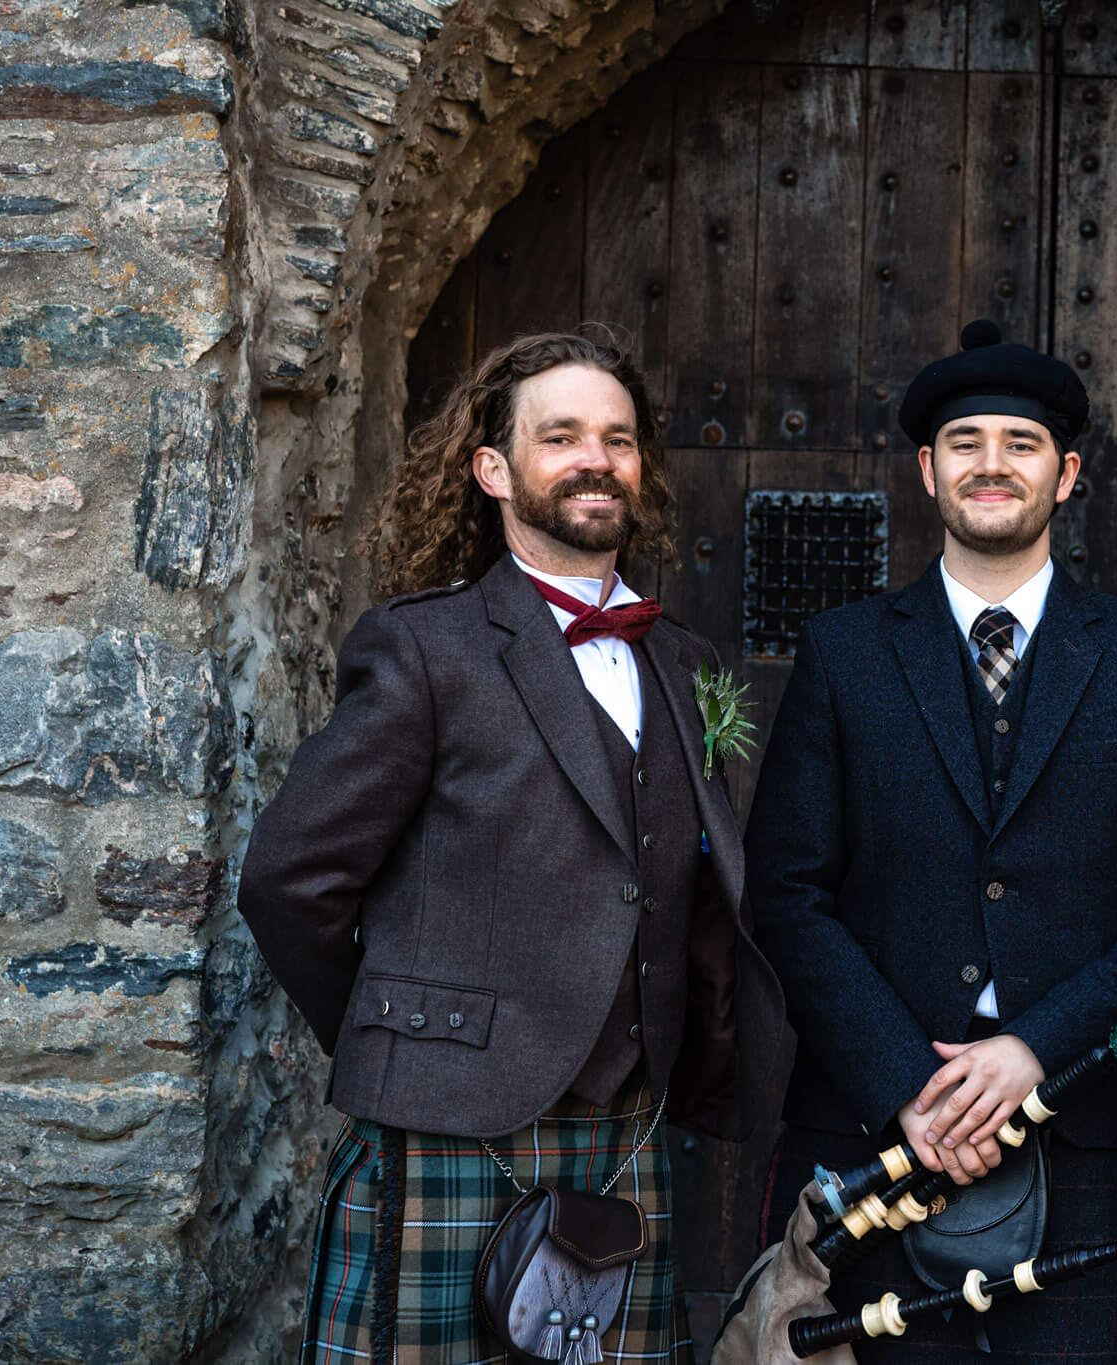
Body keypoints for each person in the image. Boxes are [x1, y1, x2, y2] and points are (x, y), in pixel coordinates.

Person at [238, 331, 787, 1364]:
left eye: (618, 440)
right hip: (448, 1121)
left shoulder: (684, 659)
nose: (597, 459)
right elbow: (288, 879)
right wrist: (403, 1033)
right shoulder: (424, 647)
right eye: (562, 436)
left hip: (628, 1123)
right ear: (493, 470)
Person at [746, 319, 1117, 1359]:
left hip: (1082, 1125)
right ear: (927, 470)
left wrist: (1034, 1047)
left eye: (1018, 444)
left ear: (1063, 476)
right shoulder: (842, 655)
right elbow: (787, 894)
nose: (990, 464)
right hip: (873, 1133)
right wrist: (906, 1088)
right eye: (964, 442)